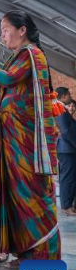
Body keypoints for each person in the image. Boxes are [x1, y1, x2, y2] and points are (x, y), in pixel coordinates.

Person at [0, 10, 60, 267]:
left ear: (22, 30)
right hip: (9, 135)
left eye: (5, 28)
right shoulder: (15, 58)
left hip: (25, 138)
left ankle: (43, 256)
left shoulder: (32, 55)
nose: (2, 35)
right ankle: (26, 252)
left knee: (31, 193)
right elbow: (3, 102)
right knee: (16, 196)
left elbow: (9, 79)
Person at [54, 87, 76, 216]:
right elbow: (66, 131)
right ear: (63, 96)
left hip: (67, 148)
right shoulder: (59, 108)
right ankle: (66, 206)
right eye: (69, 95)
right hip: (66, 149)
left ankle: (68, 205)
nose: (70, 96)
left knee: (69, 177)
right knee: (67, 178)